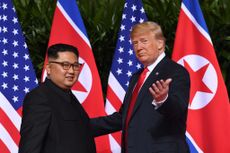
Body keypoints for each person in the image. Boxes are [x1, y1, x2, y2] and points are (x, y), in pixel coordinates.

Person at [19, 43, 121, 153]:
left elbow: (82, 127)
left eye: (75, 66)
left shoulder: (68, 96)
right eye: (65, 65)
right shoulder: (39, 97)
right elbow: (30, 147)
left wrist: (125, 117)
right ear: (48, 68)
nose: (71, 71)